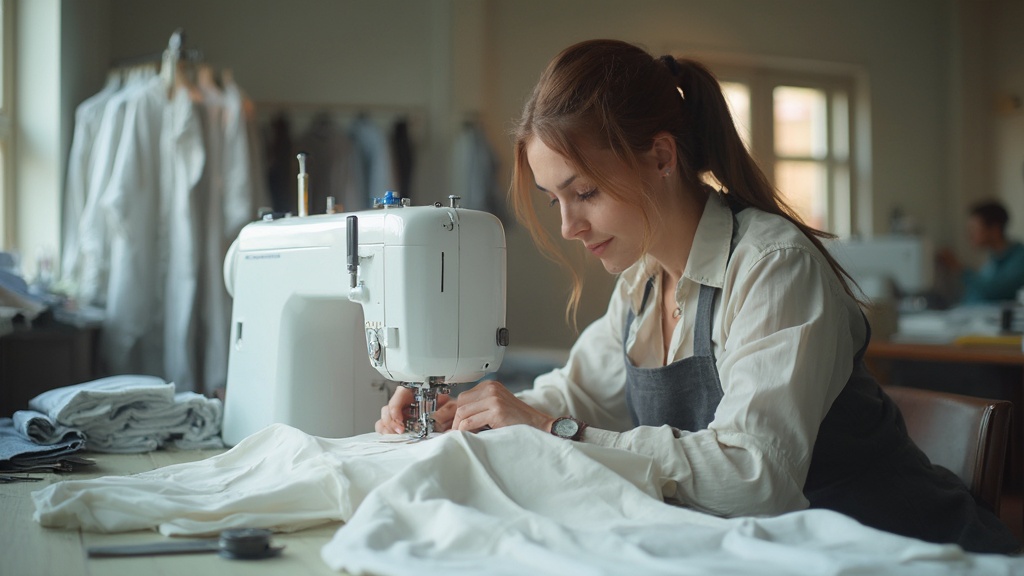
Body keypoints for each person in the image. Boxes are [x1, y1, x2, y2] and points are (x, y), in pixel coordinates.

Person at [376, 39, 1019, 553]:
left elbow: (753, 476)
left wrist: (553, 430)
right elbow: (569, 399)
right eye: (555, 201)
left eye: (586, 193)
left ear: (661, 156)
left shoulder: (772, 266)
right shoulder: (639, 283)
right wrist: (462, 416)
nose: (569, 227)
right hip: (786, 553)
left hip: (906, 553)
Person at [939, 200, 1024, 304]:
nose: (969, 235)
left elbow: (994, 291)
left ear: (994, 230)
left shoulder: (1019, 258)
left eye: (974, 229)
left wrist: (958, 268)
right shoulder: (993, 261)